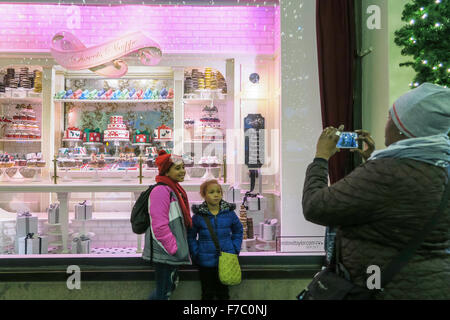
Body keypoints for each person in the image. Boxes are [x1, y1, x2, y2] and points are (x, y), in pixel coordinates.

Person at [302, 83, 449, 299]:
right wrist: (371, 163)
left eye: (391, 118)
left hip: (382, 288)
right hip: (430, 285)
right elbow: (391, 207)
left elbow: (315, 206)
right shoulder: (440, 166)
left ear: (403, 128)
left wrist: (321, 157)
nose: (386, 123)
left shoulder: (387, 172)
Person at [143, 150, 192, 300]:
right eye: (177, 168)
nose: (183, 171)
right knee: (162, 293)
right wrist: (174, 248)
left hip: (168, 253)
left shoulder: (173, 188)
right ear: (166, 171)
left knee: (166, 290)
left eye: (183, 167)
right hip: (165, 253)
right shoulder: (161, 191)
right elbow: (159, 226)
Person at [187, 179, 243, 300]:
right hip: (205, 262)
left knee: (223, 294)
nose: (216, 194)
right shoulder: (198, 216)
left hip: (226, 258)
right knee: (207, 293)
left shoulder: (229, 213)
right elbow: (191, 236)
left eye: (218, 191)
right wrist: (196, 252)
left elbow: (238, 230)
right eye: (211, 192)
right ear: (204, 195)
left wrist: (235, 248)